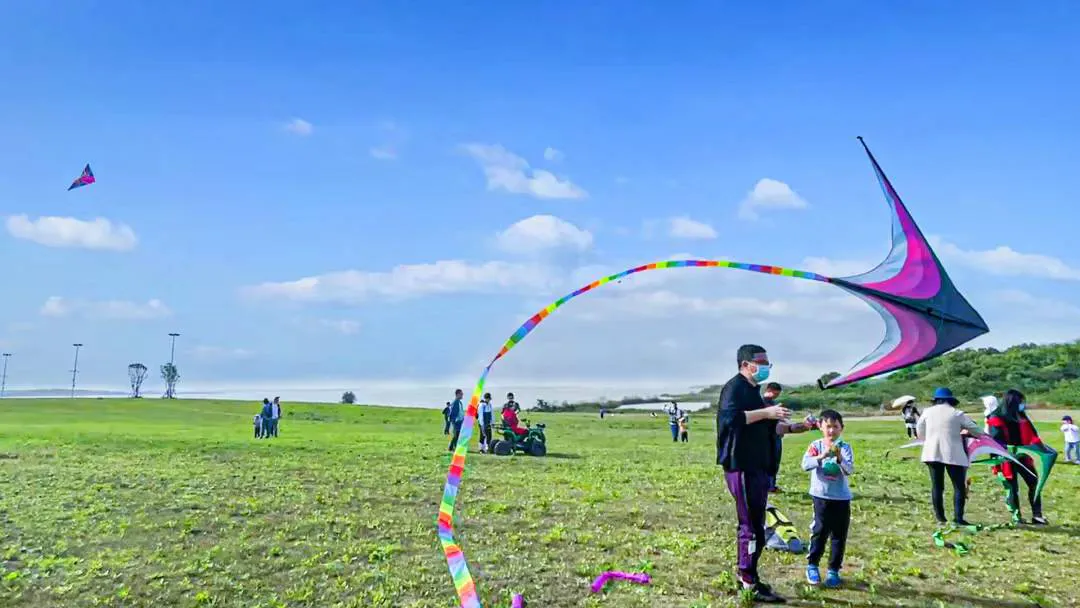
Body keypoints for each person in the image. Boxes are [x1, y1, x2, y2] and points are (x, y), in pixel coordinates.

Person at [715, 344, 791, 604]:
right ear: (746, 364)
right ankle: (748, 581)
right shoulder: (734, 387)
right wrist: (767, 412)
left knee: (757, 524)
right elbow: (731, 419)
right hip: (742, 465)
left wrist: (791, 427)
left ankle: (750, 575)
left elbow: (765, 427)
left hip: (758, 466)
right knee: (749, 526)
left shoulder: (754, 391)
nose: (766, 366)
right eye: (761, 362)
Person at [801, 409, 854, 589]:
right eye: (828, 427)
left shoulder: (845, 447)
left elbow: (849, 470)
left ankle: (833, 570)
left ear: (842, 428)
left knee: (839, 535)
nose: (832, 431)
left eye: (835, 427)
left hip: (841, 497)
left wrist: (839, 458)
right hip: (821, 496)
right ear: (820, 427)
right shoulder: (816, 445)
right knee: (820, 531)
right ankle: (812, 565)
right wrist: (821, 457)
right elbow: (805, 464)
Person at [916, 387, 983, 525]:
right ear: (951, 401)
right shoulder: (957, 413)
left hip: (932, 452)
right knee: (958, 487)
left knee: (937, 486)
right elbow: (977, 430)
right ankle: (958, 518)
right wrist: (968, 433)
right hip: (953, 453)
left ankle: (940, 518)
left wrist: (927, 438)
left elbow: (920, 430)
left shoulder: (927, 412)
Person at [986, 389, 1049, 524]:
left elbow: (1033, 434)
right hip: (1006, 458)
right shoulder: (996, 417)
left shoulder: (1020, 415)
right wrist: (1001, 458)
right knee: (1012, 487)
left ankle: (1037, 515)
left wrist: (1043, 449)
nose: (1022, 405)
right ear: (1012, 403)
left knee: (1034, 482)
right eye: (1020, 402)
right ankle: (1016, 516)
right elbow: (996, 440)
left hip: (1023, 456)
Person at [763, 382, 815, 493]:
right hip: (768, 438)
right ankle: (768, 486)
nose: (776, 396)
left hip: (775, 436)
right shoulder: (763, 404)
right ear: (770, 390)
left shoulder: (770, 403)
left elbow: (780, 420)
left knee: (773, 462)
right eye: (775, 394)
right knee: (770, 462)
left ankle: (770, 485)